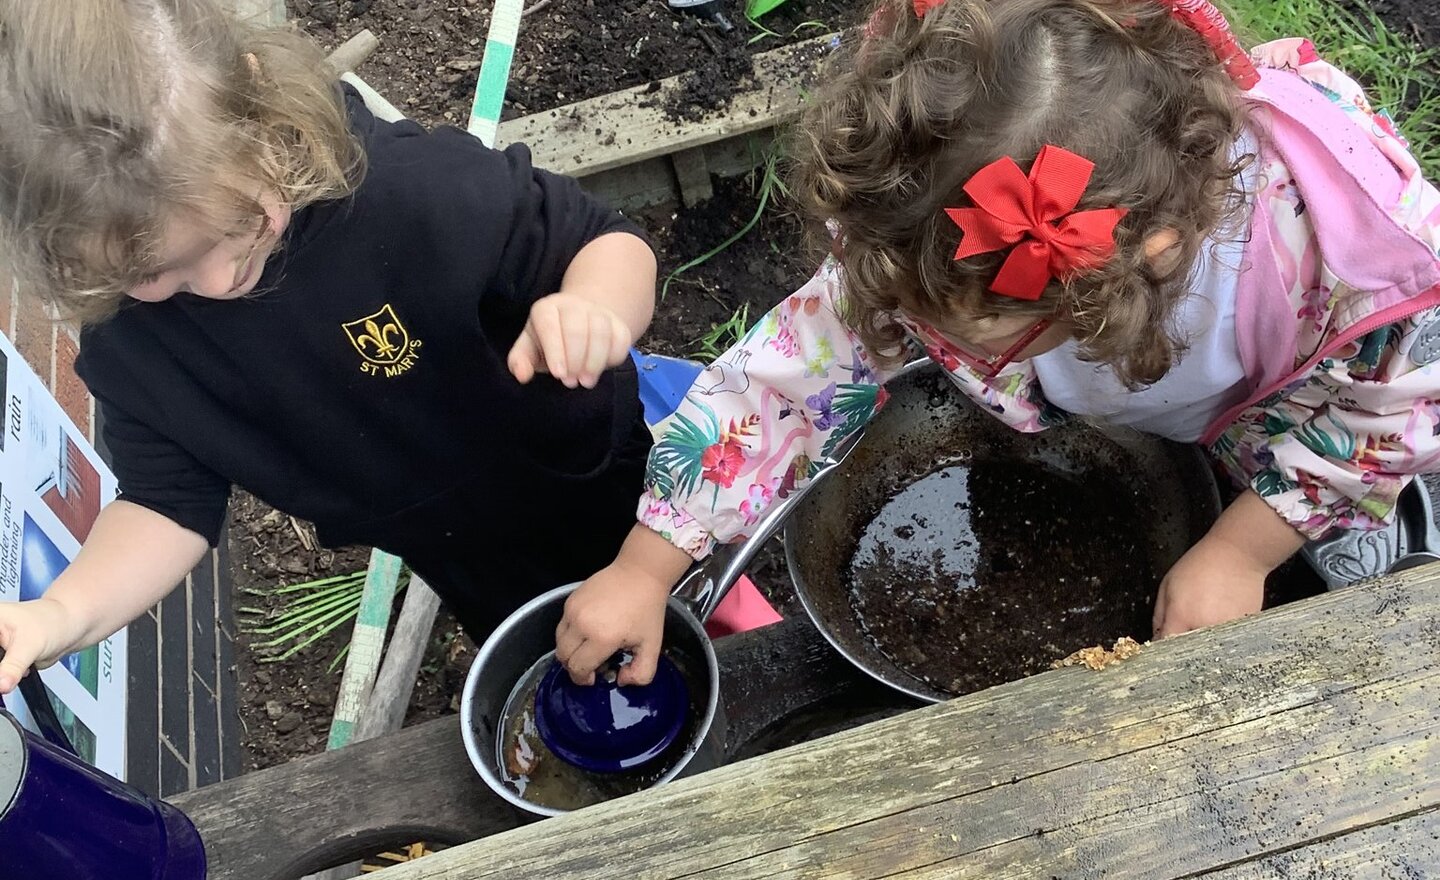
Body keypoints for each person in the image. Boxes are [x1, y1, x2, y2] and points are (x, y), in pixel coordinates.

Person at [556, 0, 1440, 687]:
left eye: (959, 331)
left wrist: (1240, 551)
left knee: (1283, 498)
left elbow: (1381, 421)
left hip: (1286, 394)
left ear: (1138, 266)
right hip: (1141, 363)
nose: (906, 330)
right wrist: (646, 567)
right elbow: (788, 380)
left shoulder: (1350, 266)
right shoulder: (924, 218)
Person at [0, 0, 659, 695]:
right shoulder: (133, 345)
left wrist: (592, 306)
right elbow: (166, 501)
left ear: (257, 109)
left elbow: (604, 238)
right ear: (69, 260)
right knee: (537, 629)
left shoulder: (407, 191)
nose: (220, 280)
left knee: (669, 577)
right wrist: (61, 613)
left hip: (590, 468)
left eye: (237, 224)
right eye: (153, 273)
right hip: (449, 543)